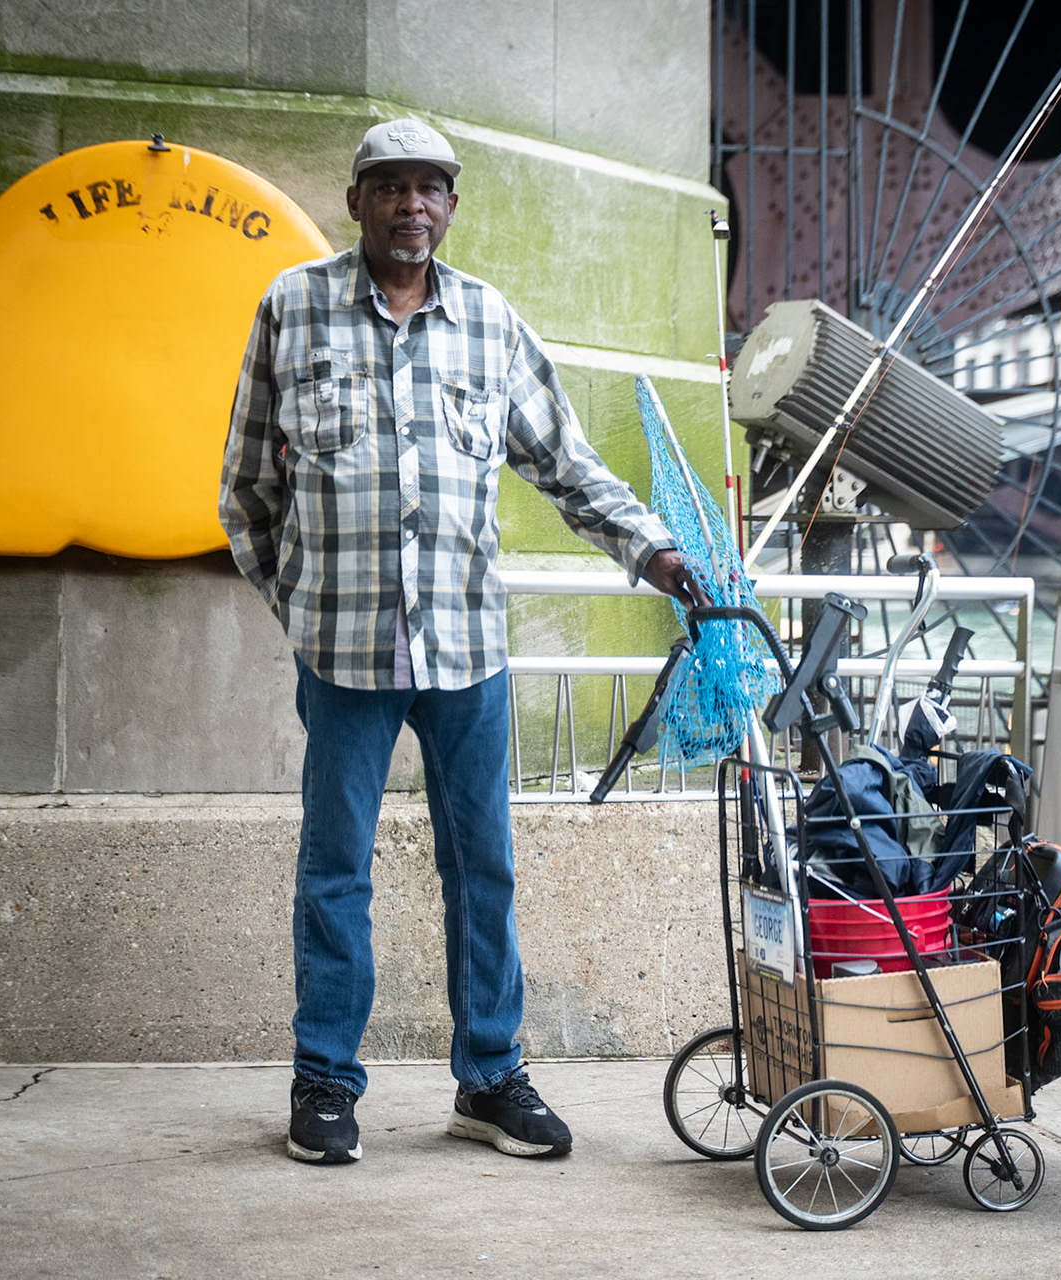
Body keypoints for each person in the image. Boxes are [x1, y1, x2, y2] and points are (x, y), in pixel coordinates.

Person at [220, 117, 704, 1166]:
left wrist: (656, 552)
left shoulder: (489, 325)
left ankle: (489, 1078)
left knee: (482, 866)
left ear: (451, 205)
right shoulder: (290, 309)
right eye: (388, 187)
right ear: (357, 203)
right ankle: (323, 1082)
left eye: (429, 188)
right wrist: (301, 606)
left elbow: (569, 466)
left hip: (468, 653)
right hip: (342, 657)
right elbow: (246, 492)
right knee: (334, 868)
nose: (410, 206)